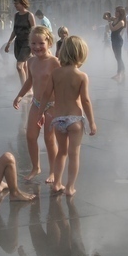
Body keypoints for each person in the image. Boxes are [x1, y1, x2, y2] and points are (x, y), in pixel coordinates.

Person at [38, 35, 96, 197]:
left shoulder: (55, 74)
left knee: (61, 152)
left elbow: (45, 95)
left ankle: (56, 183)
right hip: (75, 120)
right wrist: (92, 122)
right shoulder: (81, 76)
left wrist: (40, 113)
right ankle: (70, 187)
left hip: (58, 119)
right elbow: (85, 100)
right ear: (81, 54)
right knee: (74, 154)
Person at [13, 26, 60, 183]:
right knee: (30, 136)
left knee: (49, 138)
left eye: (41, 43)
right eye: (33, 43)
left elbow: (62, 82)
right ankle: (36, 167)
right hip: (37, 103)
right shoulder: (31, 61)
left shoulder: (54, 62)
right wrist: (20, 95)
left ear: (49, 42)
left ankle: (53, 171)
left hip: (52, 105)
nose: (37, 47)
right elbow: (30, 81)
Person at [5, 0, 36, 86]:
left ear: (22, 3)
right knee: (24, 66)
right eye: (14, 3)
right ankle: (29, 88)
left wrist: (34, 45)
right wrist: (9, 42)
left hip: (27, 43)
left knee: (19, 67)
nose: (15, 5)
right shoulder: (16, 15)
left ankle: (24, 88)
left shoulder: (29, 15)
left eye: (16, 3)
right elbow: (15, 30)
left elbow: (34, 31)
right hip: (18, 42)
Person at [108, 6, 126, 82]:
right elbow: (104, 17)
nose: (115, 13)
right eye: (115, 11)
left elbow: (113, 29)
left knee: (119, 57)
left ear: (121, 13)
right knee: (117, 57)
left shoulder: (121, 22)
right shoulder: (115, 19)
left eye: (117, 11)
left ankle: (119, 73)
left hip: (118, 40)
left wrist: (109, 22)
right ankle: (122, 71)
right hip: (113, 39)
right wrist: (108, 15)